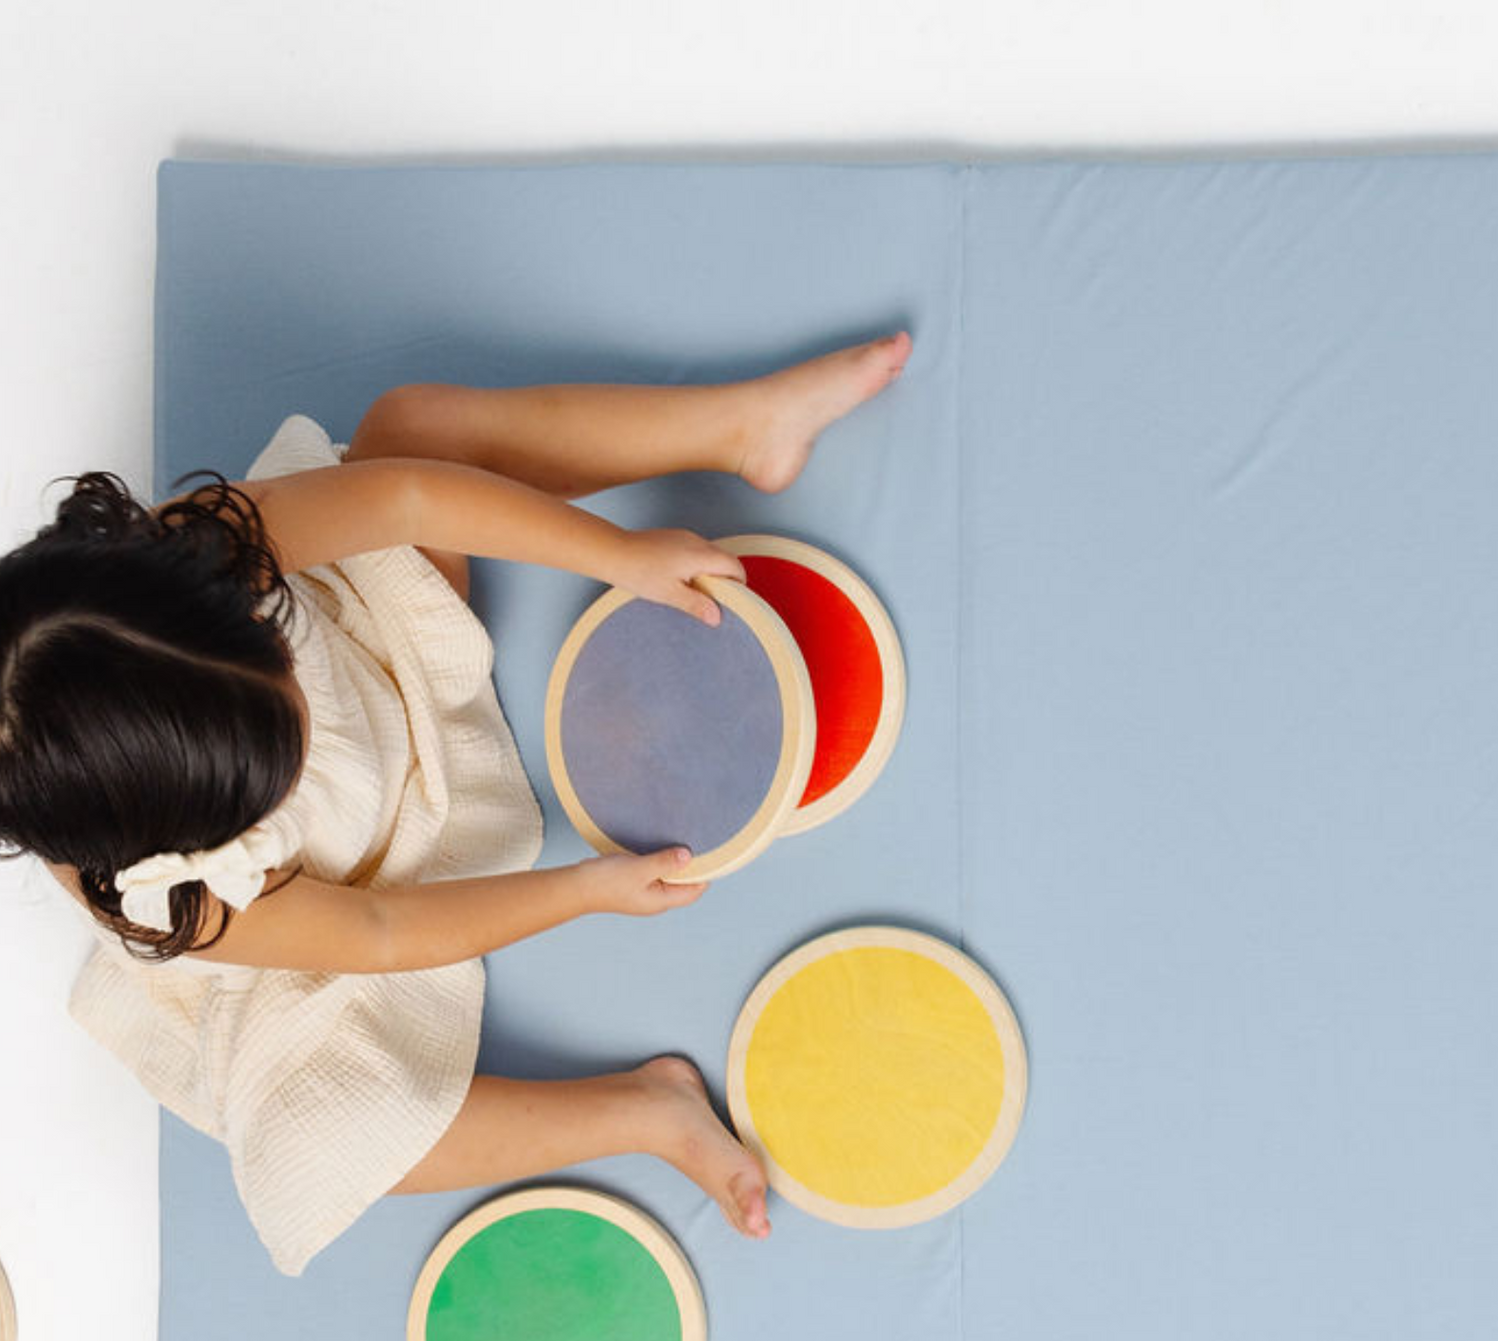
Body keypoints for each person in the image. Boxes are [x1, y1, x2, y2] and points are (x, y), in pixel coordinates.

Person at [0, 330, 913, 1274]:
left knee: (413, 428)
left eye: (266, 648)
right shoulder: (185, 903)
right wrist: (584, 890)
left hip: (384, 648)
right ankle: (646, 1112)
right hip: (367, 873)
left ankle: (739, 427)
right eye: (279, 735)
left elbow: (407, 496)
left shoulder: (185, 564)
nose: (294, 682)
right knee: (317, 1147)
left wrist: (619, 555)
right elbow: (382, 932)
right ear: (196, 823)